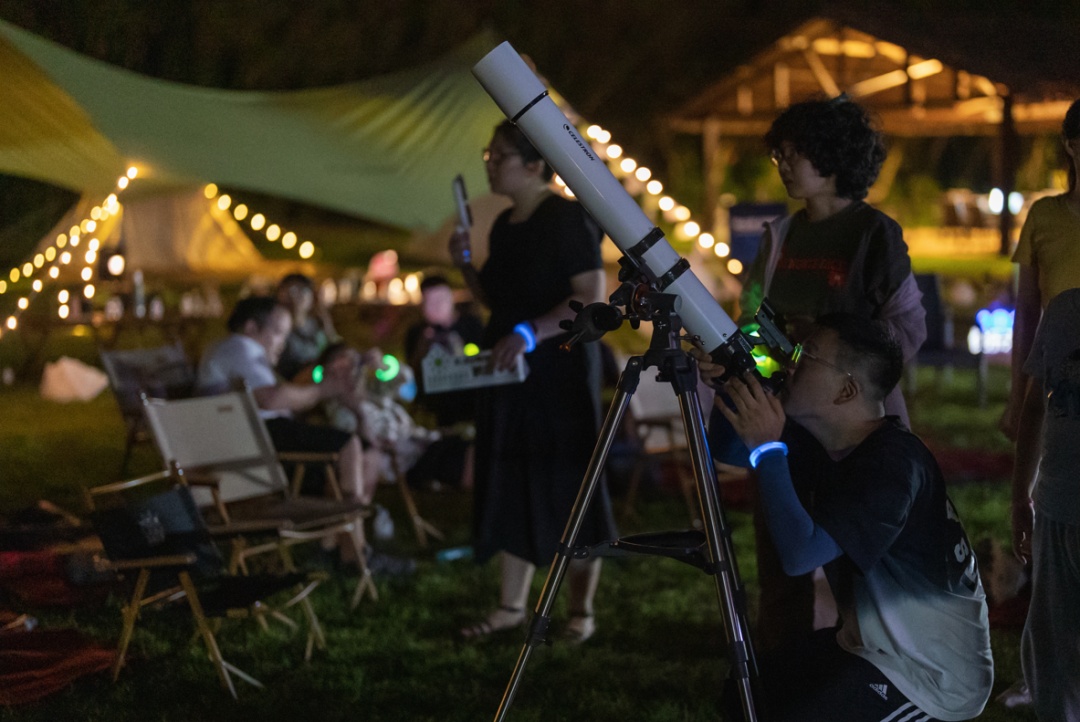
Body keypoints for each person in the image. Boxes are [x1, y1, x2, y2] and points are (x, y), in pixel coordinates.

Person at [716, 96, 927, 654]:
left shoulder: (874, 233)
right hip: (783, 421)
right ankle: (781, 671)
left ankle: (874, 668)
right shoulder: (780, 236)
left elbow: (907, 330)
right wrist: (744, 355)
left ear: (833, 157)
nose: (783, 165)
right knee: (780, 560)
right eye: (779, 155)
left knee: (864, 566)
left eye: (794, 153)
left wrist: (831, 340)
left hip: (854, 431)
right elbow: (754, 322)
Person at [708, 313, 993, 721]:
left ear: (846, 390)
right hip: (866, 646)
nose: (791, 363)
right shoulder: (826, 442)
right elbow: (728, 449)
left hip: (930, 676)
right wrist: (733, 383)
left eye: (807, 357)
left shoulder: (893, 465)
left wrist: (768, 449)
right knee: (745, 693)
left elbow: (800, 555)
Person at [449, 120, 615, 642]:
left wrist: (530, 332)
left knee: (568, 482)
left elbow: (590, 297)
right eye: (489, 154)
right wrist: (465, 267)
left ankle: (581, 612)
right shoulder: (503, 223)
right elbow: (498, 300)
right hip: (510, 374)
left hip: (557, 374)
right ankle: (510, 606)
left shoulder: (565, 218)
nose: (490, 165)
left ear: (534, 164)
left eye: (499, 156)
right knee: (512, 479)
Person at [195, 296, 376, 507]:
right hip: (253, 443)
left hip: (253, 444)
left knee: (362, 449)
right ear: (251, 328)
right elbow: (270, 399)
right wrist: (325, 389)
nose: (283, 343)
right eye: (278, 332)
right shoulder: (238, 347)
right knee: (349, 445)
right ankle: (353, 515)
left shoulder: (233, 352)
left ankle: (351, 518)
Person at [1010, 288, 1080, 720]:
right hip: (1056, 506)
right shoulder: (1064, 310)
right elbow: (1036, 407)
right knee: (1052, 650)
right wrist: (1021, 496)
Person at [1001, 98, 1080, 440]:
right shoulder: (1044, 217)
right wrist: (1018, 398)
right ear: (1071, 145)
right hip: (1060, 383)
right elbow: (1027, 312)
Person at [275, 273, 338, 382]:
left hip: (315, 380)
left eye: (302, 291)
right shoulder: (273, 325)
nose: (295, 297)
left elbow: (334, 350)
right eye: (290, 290)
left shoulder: (317, 326)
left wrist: (328, 328)